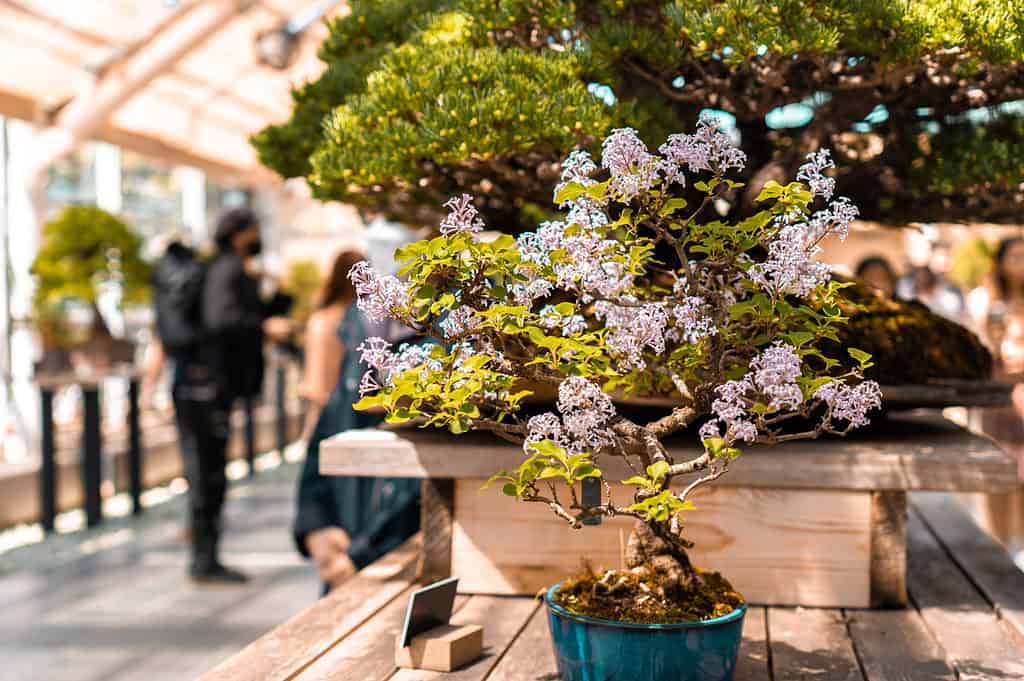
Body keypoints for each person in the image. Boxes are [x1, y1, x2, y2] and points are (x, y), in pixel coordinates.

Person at [292, 253, 420, 593]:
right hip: (345, 544)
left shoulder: (430, 365)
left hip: (397, 567)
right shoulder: (357, 350)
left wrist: (360, 556)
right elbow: (323, 440)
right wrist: (317, 530)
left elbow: (422, 492)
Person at [151, 239, 247, 582]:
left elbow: (161, 343)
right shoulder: (203, 280)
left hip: (186, 385)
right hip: (204, 388)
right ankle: (204, 559)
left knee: (200, 470)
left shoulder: (171, 287)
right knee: (207, 473)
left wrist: (150, 389)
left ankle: (205, 555)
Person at [967, 237, 1024, 551]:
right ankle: (997, 550)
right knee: (996, 480)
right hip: (997, 402)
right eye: (1015, 256)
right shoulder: (984, 301)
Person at [299, 251, 364, 439]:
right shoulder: (370, 320)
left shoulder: (322, 320)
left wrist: (311, 428)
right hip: (360, 417)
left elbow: (317, 384)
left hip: (332, 417)